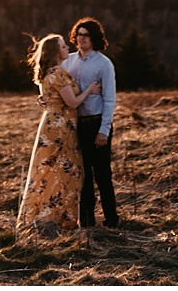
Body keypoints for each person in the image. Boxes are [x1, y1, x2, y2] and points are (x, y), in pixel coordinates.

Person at [16, 33, 102, 237]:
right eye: (63, 46)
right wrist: (89, 89)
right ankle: (60, 218)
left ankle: (45, 214)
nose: (68, 49)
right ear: (55, 52)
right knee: (67, 170)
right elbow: (72, 102)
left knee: (47, 170)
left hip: (52, 124)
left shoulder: (46, 73)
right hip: (61, 127)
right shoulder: (58, 74)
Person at [63, 16, 119, 228]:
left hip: (97, 124)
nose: (81, 39)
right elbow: (59, 88)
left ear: (94, 38)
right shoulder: (68, 61)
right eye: (78, 35)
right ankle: (86, 221)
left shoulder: (104, 64)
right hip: (76, 125)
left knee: (103, 175)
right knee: (83, 175)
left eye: (86, 35)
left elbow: (110, 99)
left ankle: (111, 220)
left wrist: (104, 130)